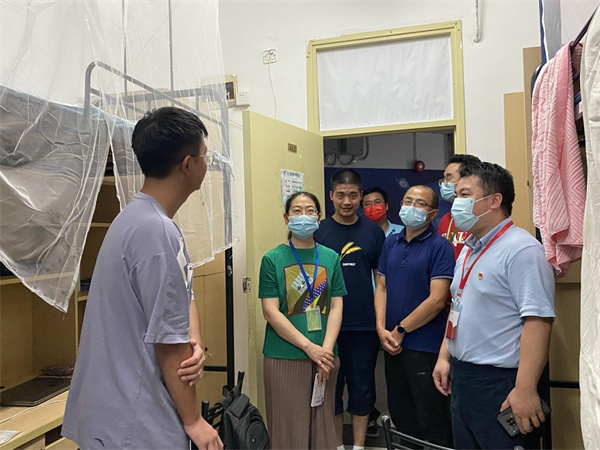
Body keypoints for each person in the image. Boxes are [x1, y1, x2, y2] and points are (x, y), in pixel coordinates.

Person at [62, 107, 222, 450]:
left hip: (117, 415)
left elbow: (183, 297)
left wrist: (194, 341)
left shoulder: (138, 219)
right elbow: (168, 341)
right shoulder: (156, 231)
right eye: (205, 156)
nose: (206, 165)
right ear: (188, 164)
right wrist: (194, 420)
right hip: (135, 421)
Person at [433, 162, 555, 449]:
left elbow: (538, 321)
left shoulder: (522, 249)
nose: (456, 203)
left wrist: (525, 389)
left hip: (501, 382)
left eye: (465, 195)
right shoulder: (469, 249)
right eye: (456, 195)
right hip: (463, 378)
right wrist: (444, 356)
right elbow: (458, 306)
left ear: (494, 200)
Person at [259, 191, 346, 449]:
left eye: (310, 211)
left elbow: (336, 306)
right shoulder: (272, 259)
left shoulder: (331, 257)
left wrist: (325, 352)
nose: (303, 216)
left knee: (322, 432)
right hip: (285, 357)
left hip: (325, 357)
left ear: (319, 218)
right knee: (289, 432)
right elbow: (270, 312)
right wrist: (309, 348)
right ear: (286, 218)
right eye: (297, 211)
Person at [374, 185, 455, 447]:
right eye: (407, 201)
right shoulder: (391, 242)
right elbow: (382, 286)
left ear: (433, 213)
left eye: (420, 203)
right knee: (401, 414)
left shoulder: (440, 246)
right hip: (392, 345)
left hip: (424, 347)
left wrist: (401, 330)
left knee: (431, 418)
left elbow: (437, 299)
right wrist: (381, 328)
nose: (411, 207)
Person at [314, 169, 385, 450]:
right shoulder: (318, 230)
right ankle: (336, 445)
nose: (347, 201)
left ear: (360, 196)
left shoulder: (373, 232)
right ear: (331, 196)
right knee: (330, 388)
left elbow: (381, 280)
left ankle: (357, 446)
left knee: (362, 388)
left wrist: (380, 320)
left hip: (363, 324)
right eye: (341, 195)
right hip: (325, 326)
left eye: (353, 195)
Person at [360, 186, 403, 437]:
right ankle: (371, 415)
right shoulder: (361, 233)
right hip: (368, 308)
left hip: (398, 311)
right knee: (366, 367)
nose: (372, 207)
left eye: (377, 202)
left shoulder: (402, 233)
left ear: (386, 206)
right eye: (367, 204)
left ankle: (401, 420)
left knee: (397, 365)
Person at [437, 154, 482, 259]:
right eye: (444, 179)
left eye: (448, 178)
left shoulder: (480, 218)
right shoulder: (445, 219)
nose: (444, 184)